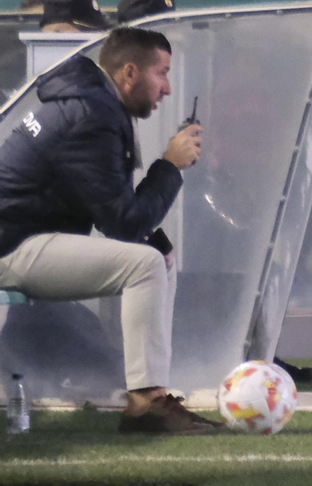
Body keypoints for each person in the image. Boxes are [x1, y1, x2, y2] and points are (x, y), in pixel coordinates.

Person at [0, 28, 215, 435]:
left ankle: (153, 392)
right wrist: (170, 165)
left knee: (156, 259)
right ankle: (144, 401)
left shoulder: (89, 103)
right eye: (162, 73)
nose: (167, 88)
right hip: (11, 246)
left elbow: (106, 207)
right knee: (146, 265)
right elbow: (123, 221)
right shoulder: (93, 113)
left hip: (20, 237)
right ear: (130, 73)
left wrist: (153, 238)